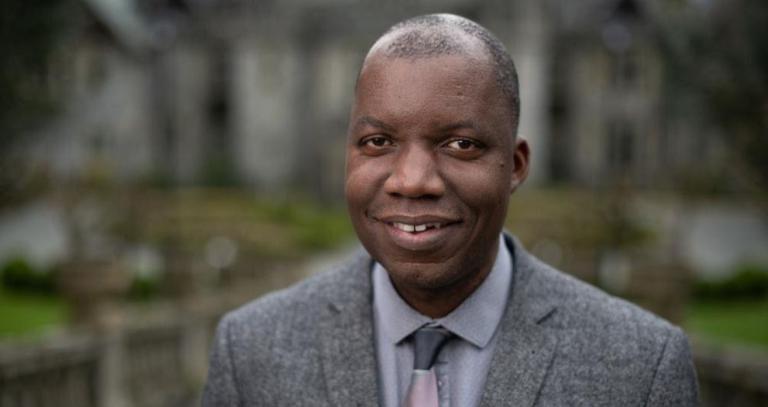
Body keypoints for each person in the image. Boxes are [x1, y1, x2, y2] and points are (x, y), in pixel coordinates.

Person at [203, 14, 699, 406]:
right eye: (378, 141)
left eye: (461, 144)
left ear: (516, 165)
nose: (412, 181)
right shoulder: (251, 351)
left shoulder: (642, 369)